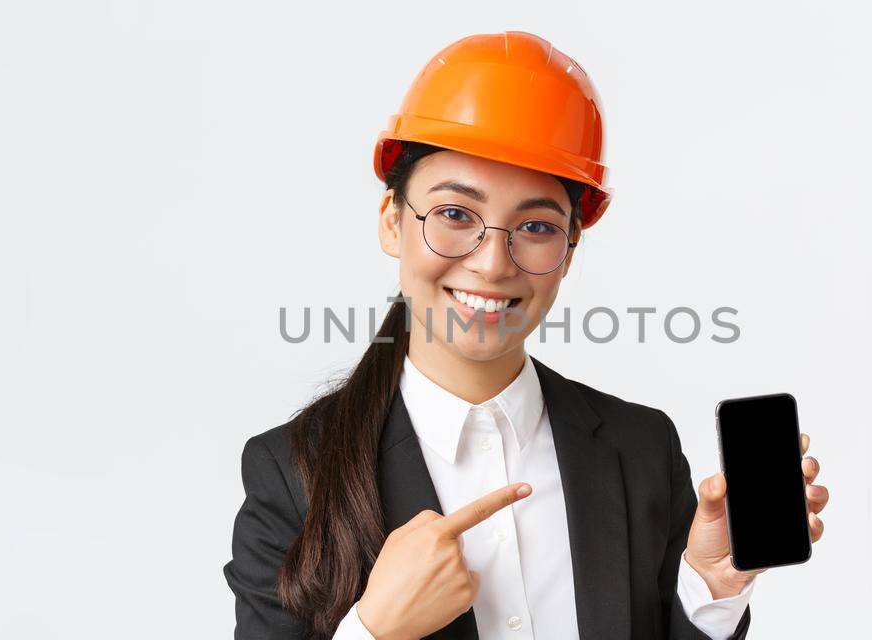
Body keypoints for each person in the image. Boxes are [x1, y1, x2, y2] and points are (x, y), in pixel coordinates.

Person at [224, 31, 829, 640]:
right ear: (392, 222)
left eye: (535, 226)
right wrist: (373, 630)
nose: (492, 264)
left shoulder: (641, 449)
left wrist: (711, 589)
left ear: (568, 252)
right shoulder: (290, 474)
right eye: (456, 214)